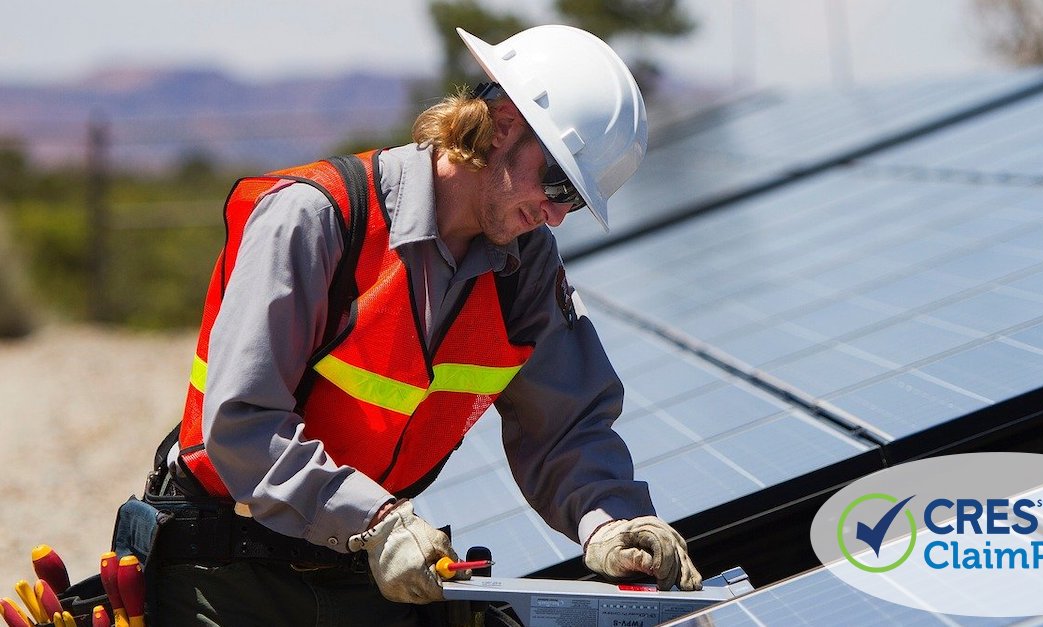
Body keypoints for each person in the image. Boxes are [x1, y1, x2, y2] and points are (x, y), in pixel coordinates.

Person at [132, 24, 701, 626]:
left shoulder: (523, 266)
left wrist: (613, 520)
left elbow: (565, 426)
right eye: (558, 183)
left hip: (356, 562)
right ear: (503, 123)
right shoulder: (316, 219)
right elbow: (242, 423)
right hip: (226, 565)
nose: (557, 216)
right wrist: (374, 521)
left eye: (576, 202)